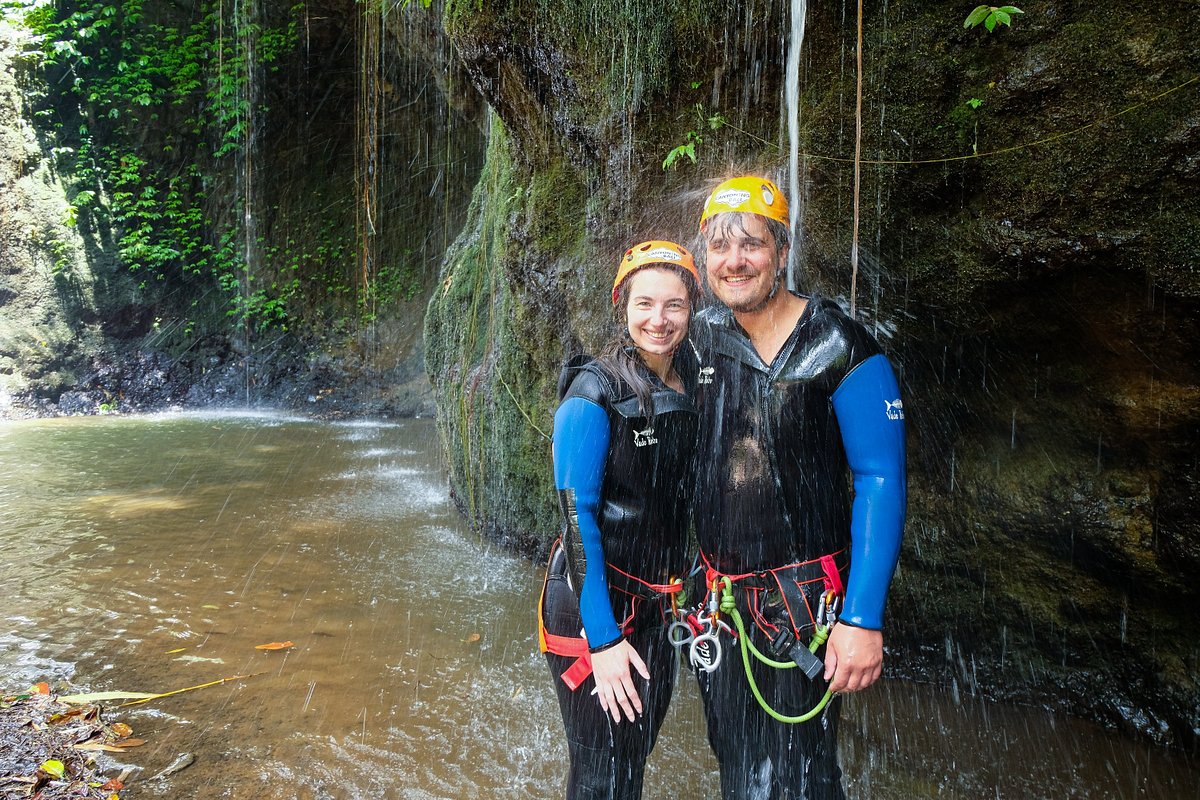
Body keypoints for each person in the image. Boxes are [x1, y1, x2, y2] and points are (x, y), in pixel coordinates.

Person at [689, 176, 907, 800]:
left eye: (751, 245)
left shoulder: (841, 347)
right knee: (736, 764)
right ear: (705, 259)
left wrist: (863, 617)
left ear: (781, 252)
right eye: (720, 248)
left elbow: (881, 479)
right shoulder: (697, 339)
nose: (735, 261)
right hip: (719, 603)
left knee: (802, 775)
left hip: (806, 605)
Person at [538, 240, 703, 800]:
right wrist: (604, 639)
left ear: (692, 308)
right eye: (645, 304)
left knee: (630, 760)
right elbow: (574, 515)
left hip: (657, 606)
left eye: (674, 305)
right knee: (600, 770)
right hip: (593, 609)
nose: (659, 320)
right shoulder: (593, 393)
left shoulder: (696, 380)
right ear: (622, 306)